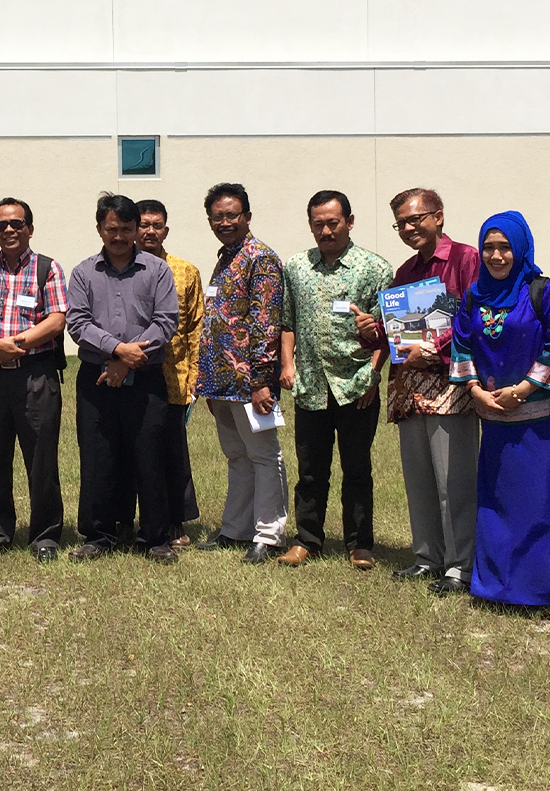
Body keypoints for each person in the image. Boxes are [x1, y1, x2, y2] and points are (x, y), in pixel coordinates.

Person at [359, 188, 482, 595]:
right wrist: (371, 331)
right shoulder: (406, 271)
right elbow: (394, 333)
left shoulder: (466, 259)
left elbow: (473, 319)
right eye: (401, 224)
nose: (409, 228)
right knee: (420, 480)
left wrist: (433, 349)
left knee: (454, 482)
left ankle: (460, 566)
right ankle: (427, 557)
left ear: (438, 216)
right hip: (409, 388)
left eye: (416, 219)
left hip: (449, 386)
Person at [451, 212, 550, 610]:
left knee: (539, 502)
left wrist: (523, 390)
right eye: (488, 247)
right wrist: (475, 391)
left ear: (520, 248)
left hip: (539, 422)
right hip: (494, 418)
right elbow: (462, 344)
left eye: (505, 247)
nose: (496, 256)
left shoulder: (548, 293)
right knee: (497, 502)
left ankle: (542, 588)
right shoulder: (474, 296)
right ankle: (495, 587)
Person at [279, 190, 392, 569]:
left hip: (357, 385)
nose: (326, 231)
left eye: (333, 223)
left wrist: (373, 375)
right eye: (318, 224)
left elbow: (388, 332)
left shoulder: (375, 269)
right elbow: (288, 322)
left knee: (357, 468)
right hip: (311, 384)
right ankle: (307, 539)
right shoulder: (296, 267)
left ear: (349, 221)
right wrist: (287, 364)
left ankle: (359, 544)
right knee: (310, 470)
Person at [66, 194, 179, 564]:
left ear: (135, 230)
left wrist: (128, 360)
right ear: (100, 228)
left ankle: (155, 537)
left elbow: (166, 321)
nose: (118, 236)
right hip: (96, 379)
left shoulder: (157, 270)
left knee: (150, 455)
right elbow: (77, 322)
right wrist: (116, 351)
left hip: (146, 377)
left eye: (126, 229)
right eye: (111, 229)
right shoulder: (83, 272)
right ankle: (99, 534)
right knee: (98, 455)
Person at [0, 198, 69, 562]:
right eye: (2, 224)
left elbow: (56, 319)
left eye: (17, 223)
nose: (9, 230)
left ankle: (45, 536)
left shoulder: (47, 268)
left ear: (29, 229)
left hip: (36, 374)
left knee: (41, 457)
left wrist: (12, 347)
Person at [194, 182, 290, 564]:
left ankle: (268, 535)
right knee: (237, 456)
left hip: (252, 383)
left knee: (264, 455)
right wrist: (207, 383)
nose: (224, 222)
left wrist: (262, 382)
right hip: (221, 382)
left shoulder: (260, 258)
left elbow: (266, 323)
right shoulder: (225, 259)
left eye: (231, 215)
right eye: (217, 217)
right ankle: (235, 529)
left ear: (247, 216)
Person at [136, 198, 204, 547]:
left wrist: (195, 374)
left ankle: (175, 518)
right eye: (143, 225)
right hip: (129, 373)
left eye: (156, 225)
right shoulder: (119, 268)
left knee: (171, 451)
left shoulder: (185, 271)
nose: (150, 231)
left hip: (173, 375)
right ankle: (127, 519)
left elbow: (195, 327)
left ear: (166, 230)